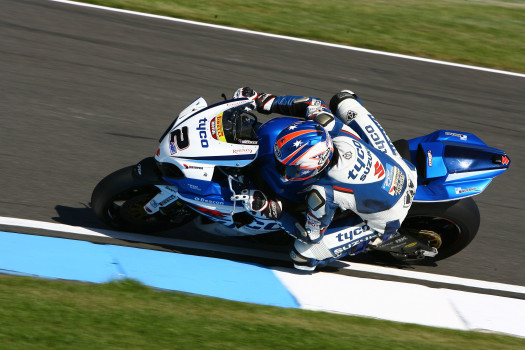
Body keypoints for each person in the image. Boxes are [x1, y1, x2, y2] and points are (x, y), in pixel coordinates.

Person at [233, 87, 433, 270]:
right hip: (398, 166)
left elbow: (309, 235)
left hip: (390, 213)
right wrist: (266, 101)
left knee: (302, 257)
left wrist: (272, 210)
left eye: (292, 170)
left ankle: (372, 240)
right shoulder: (333, 131)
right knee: (343, 98)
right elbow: (312, 104)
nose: (283, 171)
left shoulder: (322, 192)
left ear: (315, 165)